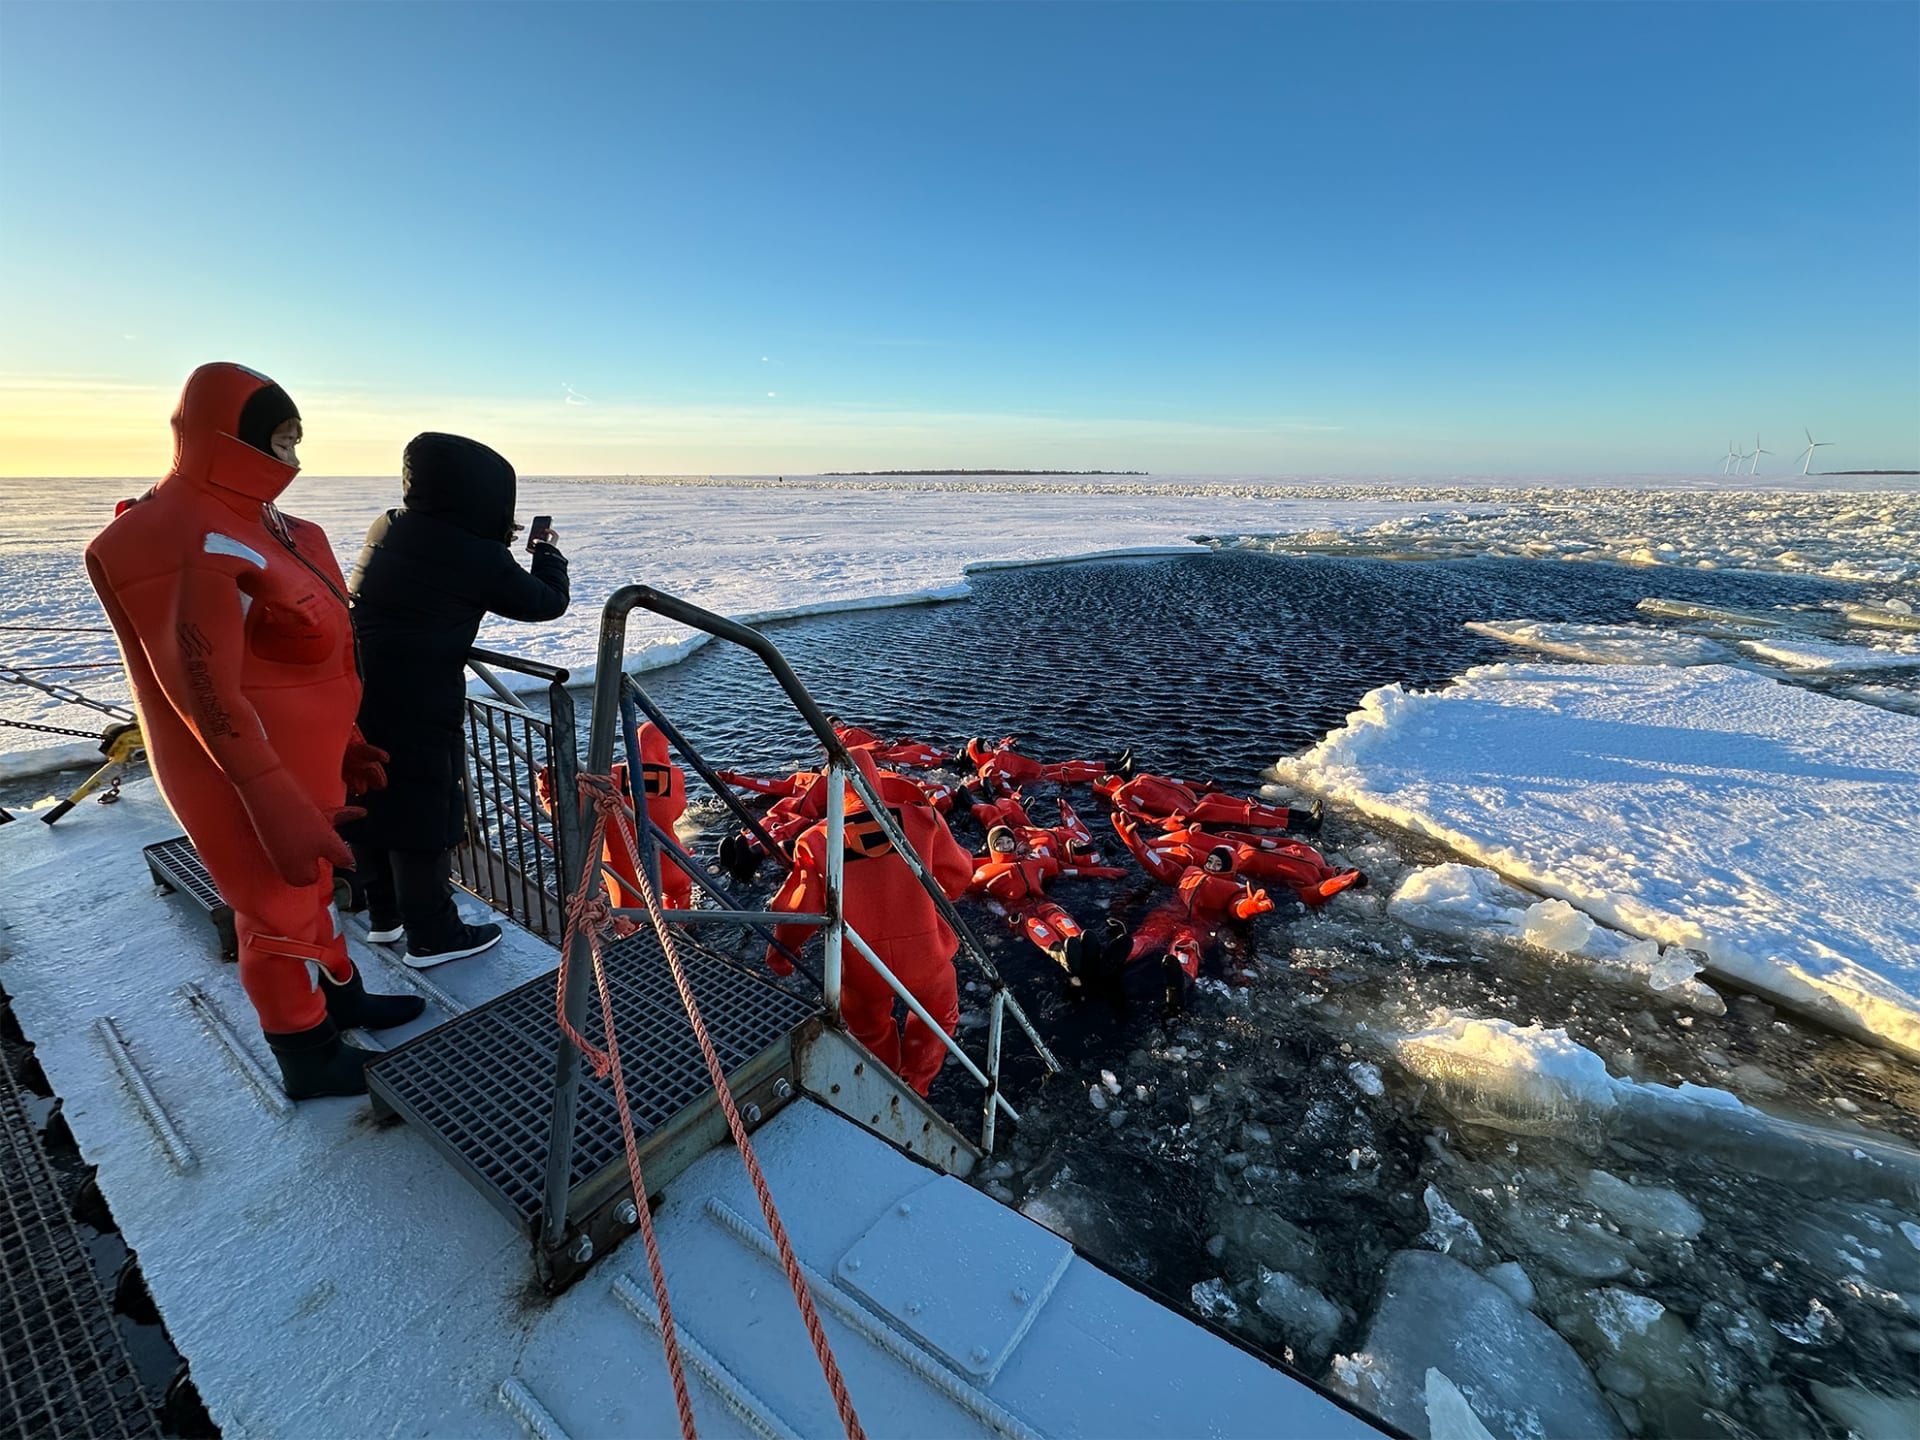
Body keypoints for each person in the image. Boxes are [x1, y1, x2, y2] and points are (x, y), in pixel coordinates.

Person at [84, 363, 423, 1099]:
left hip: (308, 762)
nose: (292, 459)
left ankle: (341, 994)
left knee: (315, 889)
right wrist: (270, 796)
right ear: (219, 435)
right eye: (276, 439)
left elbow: (319, 654)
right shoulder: (171, 534)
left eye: (296, 439)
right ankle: (306, 1051)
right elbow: (199, 689)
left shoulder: (281, 529)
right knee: (273, 908)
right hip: (242, 774)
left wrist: (347, 739)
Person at [343, 433, 570, 967]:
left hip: (355, 687)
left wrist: (492, 542)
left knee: (372, 794)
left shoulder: (391, 525)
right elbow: (546, 603)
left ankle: (386, 916)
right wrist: (547, 554)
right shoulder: (475, 554)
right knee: (424, 807)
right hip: (418, 696)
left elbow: (438, 575)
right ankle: (433, 934)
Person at [765, 751, 973, 1095]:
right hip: (928, 957)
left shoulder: (817, 840)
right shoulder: (924, 820)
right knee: (938, 1019)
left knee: (870, 1031)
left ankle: (886, 1086)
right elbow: (958, 877)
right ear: (877, 781)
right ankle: (917, 1084)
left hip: (863, 970)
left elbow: (798, 909)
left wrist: (782, 952)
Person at [969, 826, 1126, 981]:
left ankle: (1087, 947)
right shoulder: (986, 872)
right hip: (1016, 910)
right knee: (1034, 924)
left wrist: (1102, 871)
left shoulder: (1032, 860)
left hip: (1041, 902)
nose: (1005, 846)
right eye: (999, 843)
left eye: (1008, 842)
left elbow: (1061, 868)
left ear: (1014, 843)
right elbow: (966, 889)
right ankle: (1061, 955)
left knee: (1058, 917)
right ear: (992, 848)